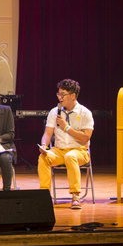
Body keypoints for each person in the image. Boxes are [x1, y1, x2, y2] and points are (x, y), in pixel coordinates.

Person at [37, 78, 94, 210]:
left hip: (80, 151)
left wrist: (66, 127)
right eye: (58, 94)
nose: (60, 97)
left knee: (71, 156)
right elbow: (47, 133)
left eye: (63, 94)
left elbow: (86, 138)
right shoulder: (54, 112)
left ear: (73, 95)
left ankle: (75, 196)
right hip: (59, 150)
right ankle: (44, 195)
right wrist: (44, 145)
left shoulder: (85, 113)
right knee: (43, 157)